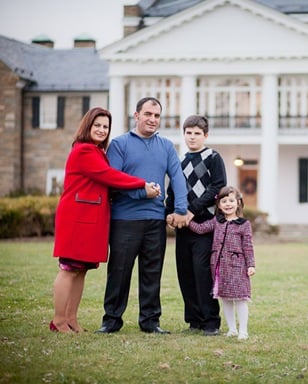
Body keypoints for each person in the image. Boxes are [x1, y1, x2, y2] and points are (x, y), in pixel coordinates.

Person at [51, 107, 161, 333]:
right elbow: (109, 175)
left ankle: (72, 319)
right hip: (77, 217)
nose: (102, 130)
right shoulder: (84, 151)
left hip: (90, 218)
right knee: (68, 268)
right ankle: (59, 321)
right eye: (97, 125)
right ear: (87, 126)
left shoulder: (96, 151)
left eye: (105, 127)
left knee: (80, 269)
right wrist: (141, 184)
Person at [96, 97, 188, 334]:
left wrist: (180, 209)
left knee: (152, 273)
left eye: (157, 116)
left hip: (155, 221)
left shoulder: (167, 146)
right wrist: (141, 192)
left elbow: (177, 178)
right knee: (119, 272)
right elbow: (113, 181)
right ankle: (111, 320)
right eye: (148, 114)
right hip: (124, 220)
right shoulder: (119, 144)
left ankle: (150, 321)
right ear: (136, 116)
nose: (152, 119)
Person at [166, 115, 227, 336]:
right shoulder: (180, 161)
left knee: (203, 272)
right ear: (184, 135)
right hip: (183, 227)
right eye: (188, 133)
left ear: (205, 135)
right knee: (185, 272)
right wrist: (170, 213)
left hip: (205, 225)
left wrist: (192, 211)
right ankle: (194, 320)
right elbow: (172, 191)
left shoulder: (212, 157)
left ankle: (211, 322)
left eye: (197, 133)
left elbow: (217, 187)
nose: (192, 137)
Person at [187, 186, 256, 340]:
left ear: (238, 203)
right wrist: (186, 219)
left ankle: (243, 331)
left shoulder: (244, 224)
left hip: (238, 267)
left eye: (231, 201)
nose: (228, 204)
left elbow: (248, 246)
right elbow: (200, 229)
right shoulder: (216, 222)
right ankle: (232, 329)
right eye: (224, 201)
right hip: (220, 268)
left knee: (240, 298)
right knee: (225, 299)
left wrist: (251, 265)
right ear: (218, 205)